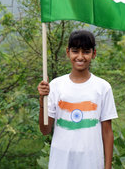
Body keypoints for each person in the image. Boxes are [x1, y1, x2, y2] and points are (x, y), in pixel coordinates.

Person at [37, 30, 118, 169]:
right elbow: (45, 130)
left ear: (94, 53)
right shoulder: (55, 86)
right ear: (68, 52)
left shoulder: (103, 87)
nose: (80, 57)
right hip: (60, 161)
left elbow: (107, 132)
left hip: (91, 161)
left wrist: (108, 166)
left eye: (86, 51)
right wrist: (42, 100)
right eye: (75, 51)